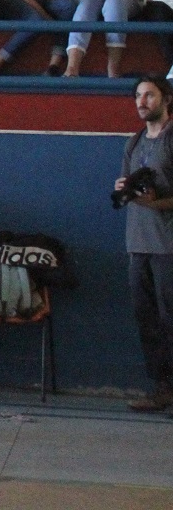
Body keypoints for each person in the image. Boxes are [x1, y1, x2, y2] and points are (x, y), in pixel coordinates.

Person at [118, 76, 173, 413]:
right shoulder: (134, 142)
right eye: (138, 95)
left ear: (166, 99)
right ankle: (162, 388)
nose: (142, 101)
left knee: (171, 321)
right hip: (138, 244)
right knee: (147, 320)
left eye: (149, 95)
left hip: (168, 246)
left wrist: (156, 204)